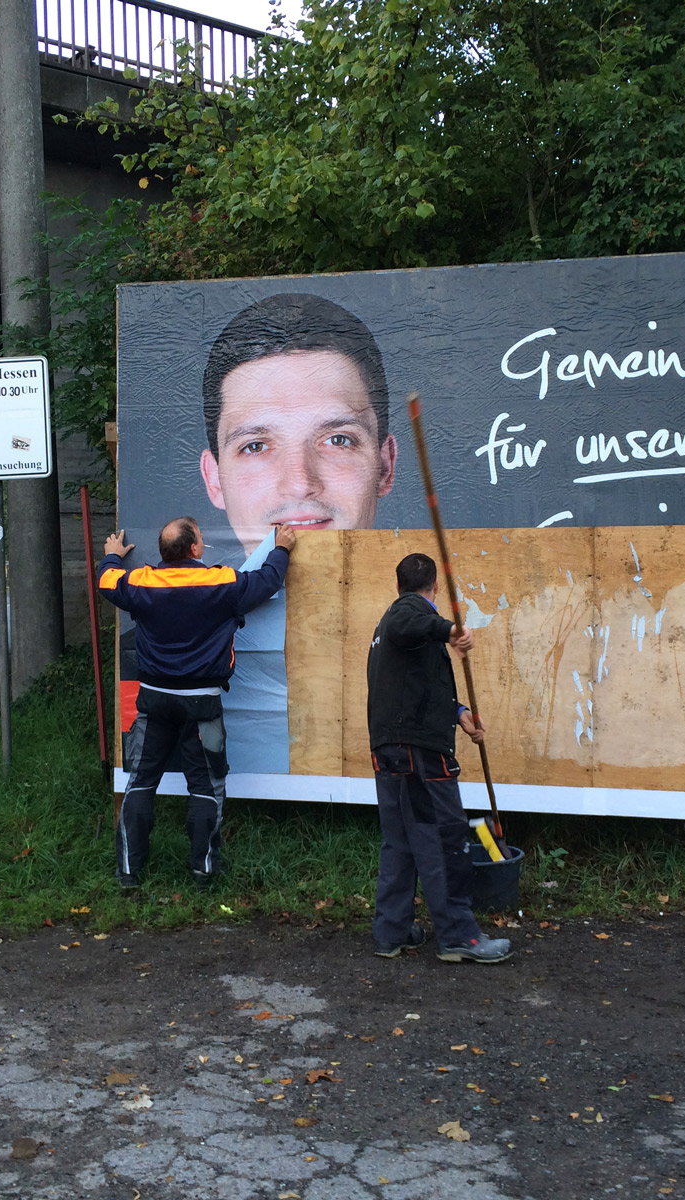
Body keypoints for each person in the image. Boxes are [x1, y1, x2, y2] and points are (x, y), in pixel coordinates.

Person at [194, 293, 398, 775]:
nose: (300, 482)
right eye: (257, 445)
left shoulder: (457, 639)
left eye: (337, 439)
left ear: (385, 465)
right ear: (214, 479)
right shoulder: (155, 646)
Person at [99, 516, 298, 889]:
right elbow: (267, 581)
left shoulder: (142, 581)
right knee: (206, 787)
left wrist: (111, 556)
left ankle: (128, 872)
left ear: (163, 552)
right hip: (202, 704)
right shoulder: (220, 581)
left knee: (141, 782)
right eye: (202, 538)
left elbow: (107, 582)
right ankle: (203, 871)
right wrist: (282, 548)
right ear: (194, 549)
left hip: (154, 700)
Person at [366, 552, 512, 964]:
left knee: (402, 843)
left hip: (394, 750)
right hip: (420, 757)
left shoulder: (392, 631)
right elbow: (410, 620)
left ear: (398, 583)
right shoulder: (407, 614)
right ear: (434, 589)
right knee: (444, 839)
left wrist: (461, 714)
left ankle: (391, 933)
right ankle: (459, 938)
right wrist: (449, 628)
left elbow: (418, 689)